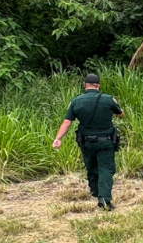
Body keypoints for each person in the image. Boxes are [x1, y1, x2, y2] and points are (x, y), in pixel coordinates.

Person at [53, 73, 124, 211]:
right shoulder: (108, 99)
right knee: (105, 168)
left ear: (85, 85)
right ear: (98, 85)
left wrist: (58, 138)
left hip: (86, 142)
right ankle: (104, 200)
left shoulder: (76, 101)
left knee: (91, 165)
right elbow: (120, 114)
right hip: (105, 141)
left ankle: (95, 191)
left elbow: (67, 122)